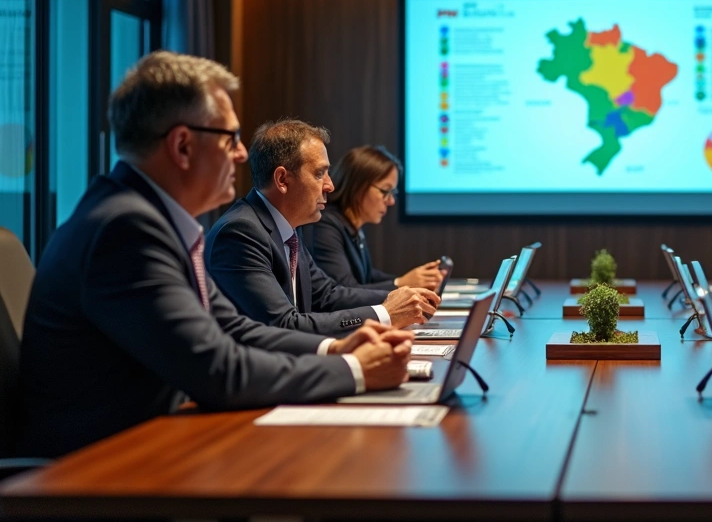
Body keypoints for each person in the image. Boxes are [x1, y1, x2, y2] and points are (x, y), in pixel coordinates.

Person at [17, 52, 416, 458]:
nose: (242, 155)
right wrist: (354, 371)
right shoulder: (124, 229)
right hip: (97, 472)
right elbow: (218, 369)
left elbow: (235, 328)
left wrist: (335, 349)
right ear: (183, 146)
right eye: (230, 139)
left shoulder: (152, 219)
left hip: (149, 446)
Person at [207, 120, 439, 336]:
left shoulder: (288, 228)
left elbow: (327, 295)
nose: (330, 185)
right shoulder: (240, 233)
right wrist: (385, 313)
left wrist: (403, 299)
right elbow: (284, 325)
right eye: (319, 173)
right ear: (282, 180)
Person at [305, 145, 443, 292]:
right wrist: (401, 283)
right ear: (358, 186)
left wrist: (413, 280)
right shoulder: (326, 225)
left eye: (392, 192)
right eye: (385, 191)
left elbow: (367, 276)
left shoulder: (352, 224)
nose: (391, 201)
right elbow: (344, 289)